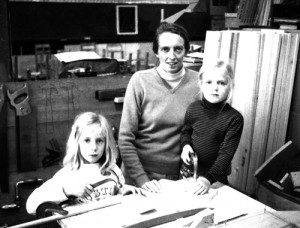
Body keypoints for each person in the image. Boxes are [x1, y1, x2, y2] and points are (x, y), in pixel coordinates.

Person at [118, 22, 200, 193]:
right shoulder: (140, 81)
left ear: (186, 50)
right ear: (156, 51)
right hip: (138, 176)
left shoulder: (199, 83)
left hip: (177, 177)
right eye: (165, 49)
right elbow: (125, 139)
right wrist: (141, 180)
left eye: (178, 49)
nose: (172, 56)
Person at [26, 112, 142, 214]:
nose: (93, 147)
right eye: (87, 140)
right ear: (77, 142)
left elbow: (116, 194)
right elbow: (30, 206)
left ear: (106, 143)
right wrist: (66, 191)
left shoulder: (113, 170)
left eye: (99, 141)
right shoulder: (68, 174)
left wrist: (123, 191)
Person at [180, 60, 244, 195]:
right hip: (189, 172)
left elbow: (226, 154)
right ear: (201, 85)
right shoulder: (193, 108)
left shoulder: (234, 118)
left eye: (221, 83)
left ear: (230, 86)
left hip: (215, 178)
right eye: (209, 82)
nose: (215, 88)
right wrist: (185, 146)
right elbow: (186, 131)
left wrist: (208, 180)